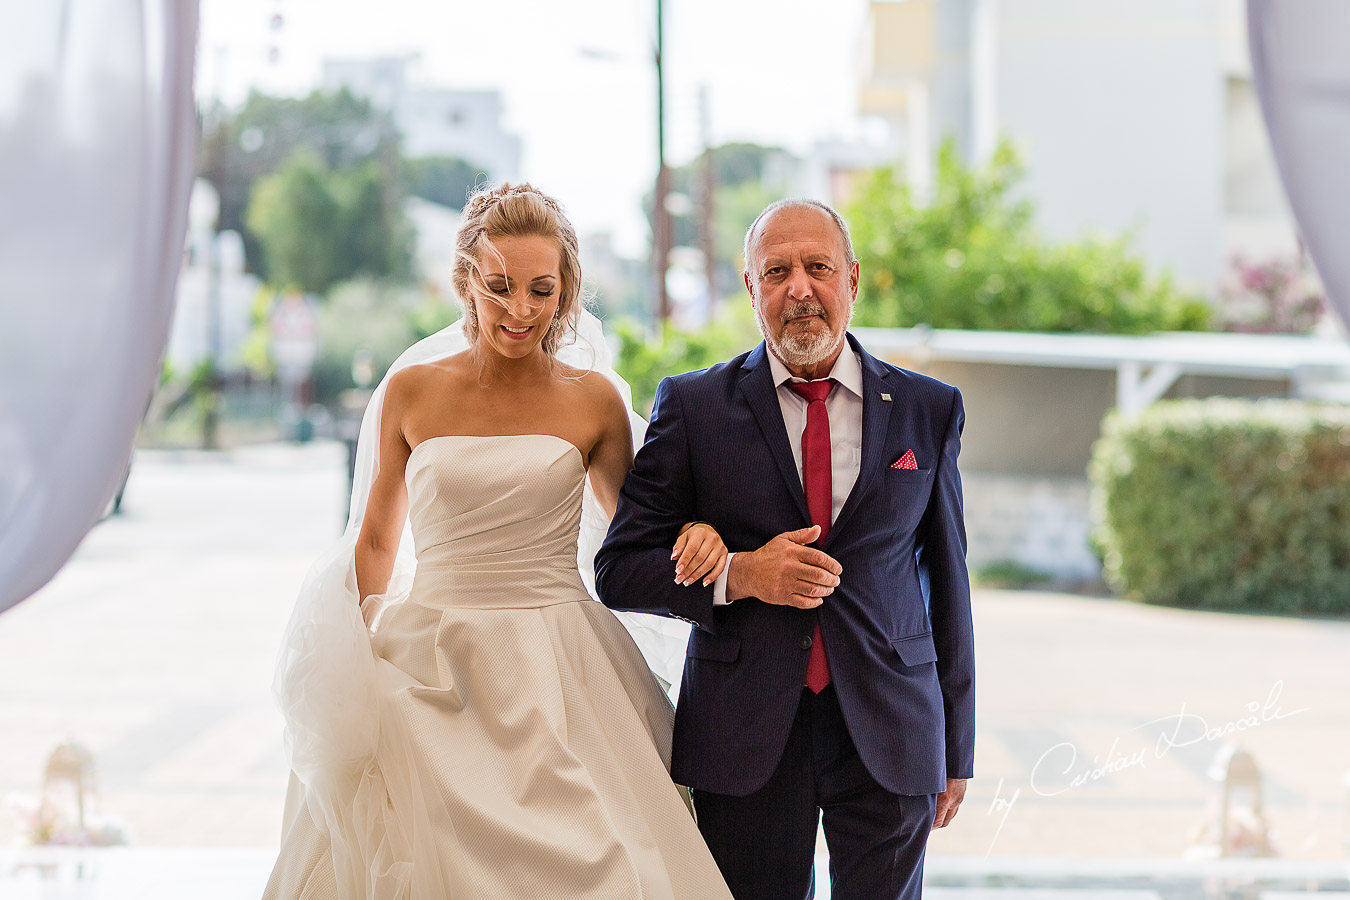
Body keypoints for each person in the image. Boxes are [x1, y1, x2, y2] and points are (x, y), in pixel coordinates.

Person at [264, 183, 734, 899]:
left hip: (560, 660)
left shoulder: (594, 400)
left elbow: (639, 533)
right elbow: (377, 543)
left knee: (611, 858)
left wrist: (696, 530)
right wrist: (352, 666)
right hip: (430, 658)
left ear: (566, 289)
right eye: (499, 287)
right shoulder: (412, 393)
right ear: (465, 282)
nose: (519, 310)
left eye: (541, 290)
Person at [595, 199, 976, 900]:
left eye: (818, 267)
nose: (799, 288)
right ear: (750, 289)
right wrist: (740, 574)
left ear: (852, 280)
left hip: (893, 730)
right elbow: (619, 569)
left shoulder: (930, 408)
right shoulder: (693, 407)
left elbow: (947, 583)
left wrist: (957, 746)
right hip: (745, 734)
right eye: (776, 271)